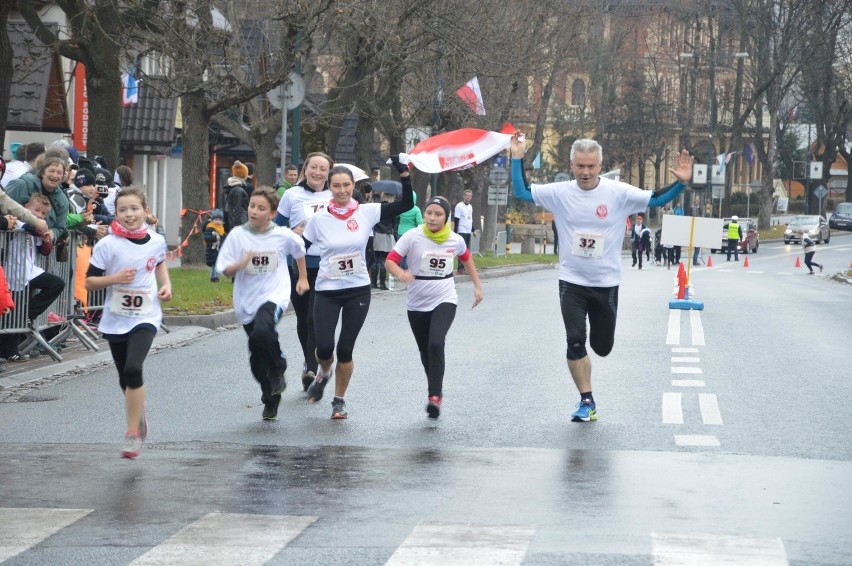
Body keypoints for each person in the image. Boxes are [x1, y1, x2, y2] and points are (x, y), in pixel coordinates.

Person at [511, 136, 693, 422]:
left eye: (591, 166)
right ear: (571, 165)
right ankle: (587, 400)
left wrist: (681, 183)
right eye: (580, 166)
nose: (585, 172)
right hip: (571, 281)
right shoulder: (559, 192)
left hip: (605, 283)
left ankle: (591, 376)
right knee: (574, 340)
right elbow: (521, 193)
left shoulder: (617, 193)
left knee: (602, 347)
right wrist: (516, 158)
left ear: (600, 166)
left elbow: (656, 198)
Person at [301, 157, 414, 419]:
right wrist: (300, 276)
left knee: (345, 350)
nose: (341, 191)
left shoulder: (367, 212)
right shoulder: (318, 220)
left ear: (353, 186)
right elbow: (300, 249)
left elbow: (406, 204)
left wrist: (404, 173)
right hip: (327, 291)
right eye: (336, 186)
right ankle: (324, 372)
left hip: (357, 290)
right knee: (325, 348)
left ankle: (339, 401)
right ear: (330, 187)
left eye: (346, 186)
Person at [85, 187, 172, 459]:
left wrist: (166, 284)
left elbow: (158, 263)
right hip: (115, 318)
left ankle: (132, 432)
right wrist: (115, 279)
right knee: (124, 376)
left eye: (134, 208)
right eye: (122, 210)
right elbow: (89, 281)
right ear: (116, 214)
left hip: (146, 316)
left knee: (134, 369)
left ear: (145, 211)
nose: (129, 214)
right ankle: (139, 414)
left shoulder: (156, 241)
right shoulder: (107, 244)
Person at [385, 195, 483, 419]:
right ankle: (435, 386)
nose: (432, 217)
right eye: (429, 213)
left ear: (447, 218)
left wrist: (477, 287)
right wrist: (402, 274)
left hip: (444, 297)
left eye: (438, 214)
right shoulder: (413, 236)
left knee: (436, 343)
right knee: (425, 350)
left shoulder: (455, 240)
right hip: (417, 302)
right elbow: (390, 260)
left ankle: (434, 397)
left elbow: (467, 259)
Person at [216, 187, 309, 421]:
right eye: (252, 206)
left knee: (262, 331)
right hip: (246, 300)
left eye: (261, 208)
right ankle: (270, 398)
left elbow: (299, 250)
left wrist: (303, 278)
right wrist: (241, 263)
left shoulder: (282, 234)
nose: (254, 211)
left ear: (272, 212)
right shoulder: (237, 235)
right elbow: (224, 268)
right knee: (257, 359)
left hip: (274, 294)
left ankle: (279, 366)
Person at [274, 152, 334, 391]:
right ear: (305, 169)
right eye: (313, 167)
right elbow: (276, 228)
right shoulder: (291, 195)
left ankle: (312, 365)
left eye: (323, 169)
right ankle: (310, 362)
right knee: (302, 318)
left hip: (327, 266)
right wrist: (292, 233)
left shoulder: (335, 196)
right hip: (298, 266)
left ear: (329, 173)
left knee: (314, 318)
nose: (318, 172)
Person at [0, 194, 65, 362]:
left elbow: (44, 250)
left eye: (43, 214)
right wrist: (37, 227)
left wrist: (46, 240)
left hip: (30, 270)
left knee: (57, 284)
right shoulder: (18, 221)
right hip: (12, 271)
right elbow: (20, 227)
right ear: (26, 207)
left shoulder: (37, 228)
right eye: (36, 210)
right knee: (10, 312)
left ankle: (28, 315)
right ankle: (8, 351)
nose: (39, 216)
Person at [6, 156, 69, 242]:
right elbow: (3, 204)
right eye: (51, 171)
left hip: (36, 250)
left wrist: (52, 233)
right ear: (42, 173)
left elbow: (60, 227)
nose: (55, 175)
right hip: (10, 241)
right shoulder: (22, 184)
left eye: (59, 173)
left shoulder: (63, 201)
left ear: (62, 177)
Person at [453, 189, 475, 274]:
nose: (468, 197)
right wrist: (455, 233)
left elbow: (470, 219)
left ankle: (465, 267)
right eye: (467, 195)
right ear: (464, 196)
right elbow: (456, 219)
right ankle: (460, 268)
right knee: (462, 250)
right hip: (461, 230)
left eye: (470, 195)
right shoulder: (459, 206)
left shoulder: (470, 207)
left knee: (466, 250)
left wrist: (473, 230)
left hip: (468, 231)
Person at [203, 209, 226, 282]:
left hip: (218, 251)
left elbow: (223, 240)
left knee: (217, 265)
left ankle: (216, 276)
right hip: (212, 250)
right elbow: (206, 237)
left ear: (222, 221)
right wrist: (214, 238)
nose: (218, 221)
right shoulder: (210, 228)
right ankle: (214, 278)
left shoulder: (221, 230)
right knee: (214, 265)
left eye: (219, 220)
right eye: (216, 219)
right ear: (212, 220)